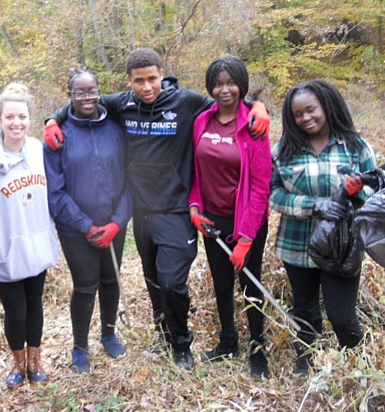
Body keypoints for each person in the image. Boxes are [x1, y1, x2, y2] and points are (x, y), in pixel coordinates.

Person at [44, 49, 270, 370]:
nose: (147, 86)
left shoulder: (187, 102)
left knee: (171, 282)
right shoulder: (121, 104)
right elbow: (83, 100)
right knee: (152, 282)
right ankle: (163, 335)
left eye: (152, 78)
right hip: (142, 213)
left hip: (177, 211)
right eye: (139, 81)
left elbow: (228, 103)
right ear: (129, 81)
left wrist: (258, 107)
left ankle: (181, 344)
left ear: (162, 73)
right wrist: (53, 119)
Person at [270, 79, 376, 374]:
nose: (305, 118)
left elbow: (378, 192)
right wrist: (313, 206)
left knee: (342, 316)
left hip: (341, 246)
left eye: (311, 110)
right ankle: (306, 365)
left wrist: (357, 192)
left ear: (327, 106)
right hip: (297, 243)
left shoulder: (355, 146)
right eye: (297, 114)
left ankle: (358, 370)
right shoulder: (283, 151)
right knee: (304, 311)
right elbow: (274, 194)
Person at [0, 83, 59, 388]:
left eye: (22, 117)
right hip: (4, 248)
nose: (16, 123)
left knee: (35, 307)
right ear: (0, 119)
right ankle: (17, 364)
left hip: (36, 245)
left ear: (31, 119)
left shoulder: (39, 151)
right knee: (15, 312)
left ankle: (35, 362)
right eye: (10, 117)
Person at [43, 69, 132, 374]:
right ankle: (80, 346)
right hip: (75, 228)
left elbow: (130, 180)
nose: (87, 97)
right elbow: (55, 192)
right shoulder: (58, 135)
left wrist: (117, 223)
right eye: (79, 92)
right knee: (85, 285)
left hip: (113, 224)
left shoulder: (116, 128)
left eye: (91, 90)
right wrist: (86, 226)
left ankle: (108, 333)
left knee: (110, 279)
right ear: (69, 95)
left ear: (99, 91)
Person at [188, 56, 271, 378]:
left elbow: (262, 185)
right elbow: (196, 170)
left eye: (231, 83)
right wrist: (195, 208)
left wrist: (246, 239)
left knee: (250, 285)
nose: (225, 90)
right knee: (221, 285)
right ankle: (228, 341)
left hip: (246, 221)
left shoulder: (254, 123)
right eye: (218, 84)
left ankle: (257, 348)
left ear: (242, 86)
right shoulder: (202, 120)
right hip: (212, 220)